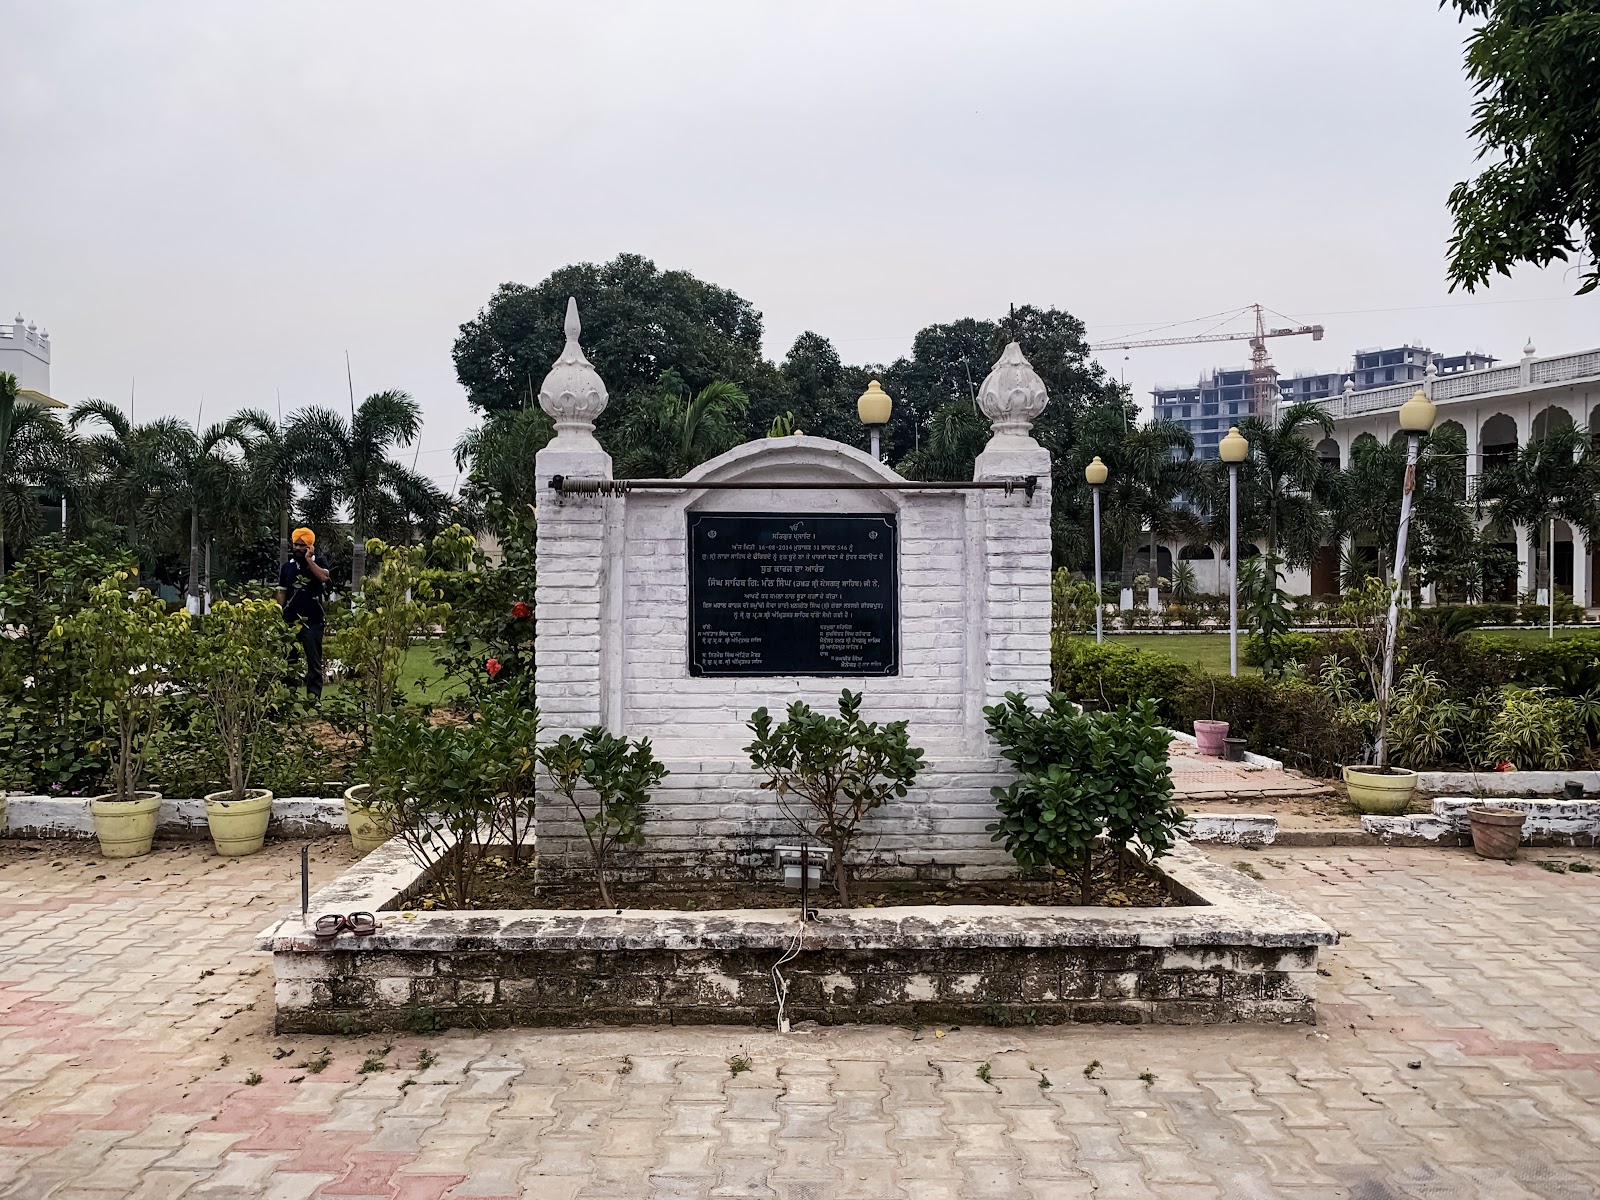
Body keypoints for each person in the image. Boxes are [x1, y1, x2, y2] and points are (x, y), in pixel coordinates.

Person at [278, 527, 331, 699]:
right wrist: (279, 614)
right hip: (290, 622)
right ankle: (288, 698)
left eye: (303, 545)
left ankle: (313, 699)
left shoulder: (320, 562)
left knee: (314, 662)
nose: (298, 548)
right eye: (296, 545)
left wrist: (309, 560)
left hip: (313, 621)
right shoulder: (287, 568)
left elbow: (323, 577)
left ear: (310, 546)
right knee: (289, 661)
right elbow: (282, 592)